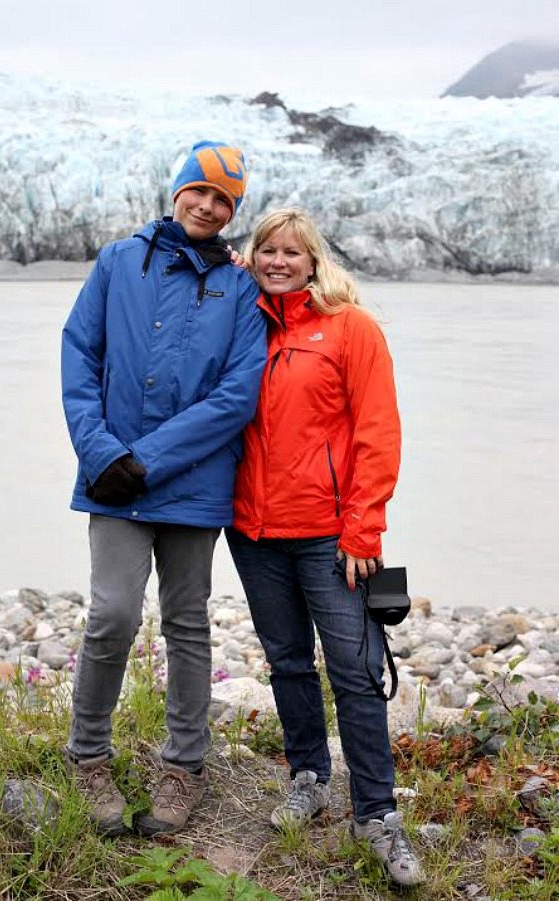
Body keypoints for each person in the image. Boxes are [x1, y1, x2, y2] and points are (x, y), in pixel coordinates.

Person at [61, 140, 267, 837]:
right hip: (111, 476)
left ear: (231, 212)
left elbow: (238, 394)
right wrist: (100, 451)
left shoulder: (241, 288)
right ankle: (88, 755)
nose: (207, 206)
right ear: (177, 191)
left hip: (190, 484)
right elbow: (79, 353)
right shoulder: (120, 261)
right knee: (112, 614)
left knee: (186, 622)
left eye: (223, 200)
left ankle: (183, 766)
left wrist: (145, 459)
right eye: (198, 191)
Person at [226, 209, 424, 887]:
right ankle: (307, 776)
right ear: (252, 257)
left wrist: (364, 529)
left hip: (329, 535)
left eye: (292, 251)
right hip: (252, 531)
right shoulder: (243, 320)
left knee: (357, 672)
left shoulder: (351, 329)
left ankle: (376, 811)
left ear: (314, 261)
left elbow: (379, 431)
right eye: (266, 250)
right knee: (286, 662)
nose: (279, 261)